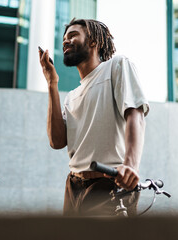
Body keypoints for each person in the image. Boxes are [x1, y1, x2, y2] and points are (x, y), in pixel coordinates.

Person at [38, 18, 149, 217]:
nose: (65, 41)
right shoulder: (71, 97)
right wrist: (51, 83)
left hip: (110, 184)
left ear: (93, 41)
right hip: (73, 186)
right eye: (64, 38)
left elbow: (136, 115)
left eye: (72, 35)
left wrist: (130, 166)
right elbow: (56, 141)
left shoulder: (117, 66)